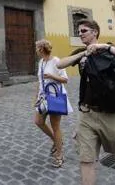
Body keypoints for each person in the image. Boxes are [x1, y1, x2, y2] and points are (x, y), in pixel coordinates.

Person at [56, 19, 115, 185]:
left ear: (95, 32)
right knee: (86, 160)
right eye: (79, 31)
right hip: (87, 115)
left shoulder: (108, 50)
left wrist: (105, 47)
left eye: (84, 31)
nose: (80, 34)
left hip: (110, 115)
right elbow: (60, 64)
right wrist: (83, 53)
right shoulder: (82, 52)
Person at [33, 39, 72, 168]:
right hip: (43, 97)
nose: (36, 50)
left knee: (56, 127)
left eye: (37, 48)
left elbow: (65, 79)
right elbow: (40, 81)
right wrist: (36, 97)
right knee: (38, 121)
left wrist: (52, 76)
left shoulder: (56, 61)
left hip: (55, 97)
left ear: (41, 49)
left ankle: (60, 154)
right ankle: (56, 141)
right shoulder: (41, 62)